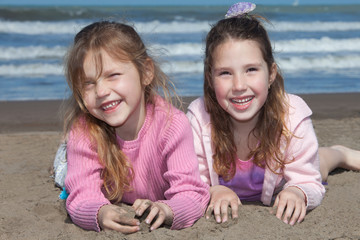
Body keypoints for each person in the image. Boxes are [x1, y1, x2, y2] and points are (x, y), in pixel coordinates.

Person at [57, 20, 210, 234]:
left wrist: (167, 209)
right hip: (78, 151)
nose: (101, 91)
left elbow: (192, 193)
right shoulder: (85, 131)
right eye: (89, 83)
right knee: (64, 176)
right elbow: (82, 194)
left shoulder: (172, 125)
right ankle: (65, 152)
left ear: (146, 72)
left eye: (113, 75)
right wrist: (100, 212)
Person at [186, 2, 327, 227]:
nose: (239, 85)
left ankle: (342, 153)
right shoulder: (198, 118)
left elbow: (309, 179)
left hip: (288, 165)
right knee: (322, 157)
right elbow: (190, 179)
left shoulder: (291, 116)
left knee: (324, 163)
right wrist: (215, 190)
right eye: (225, 73)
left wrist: (298, 191)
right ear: (210, 78)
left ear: (271, 73)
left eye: (251, 69)